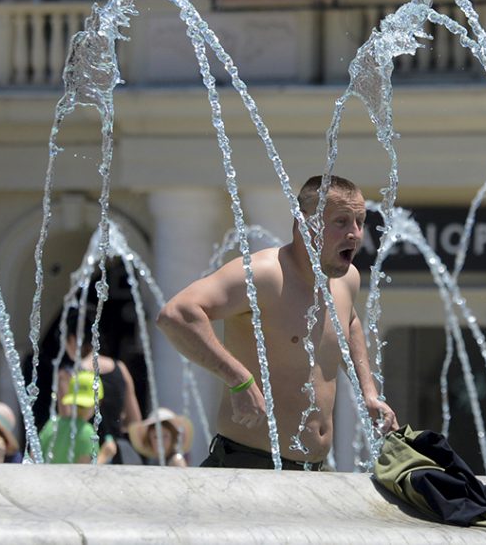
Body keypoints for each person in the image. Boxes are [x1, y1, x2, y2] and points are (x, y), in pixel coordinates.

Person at [157, 175, 398, 470]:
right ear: (303, 221)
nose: (355, 233)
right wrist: (238, 379)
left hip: (315, 469)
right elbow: (177, 314)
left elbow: (349, 325)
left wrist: (369, 394)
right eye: (341, 222)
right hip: (249, 465)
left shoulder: (347, 280)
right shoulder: (263, 274)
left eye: (360, 221)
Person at [57, 306, 142, 463]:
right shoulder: (121, 369)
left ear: (73, 339)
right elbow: (135, 422)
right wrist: (112, 424)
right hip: (118, 453)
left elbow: (67, 422)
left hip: (86, 453)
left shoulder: (69, 375)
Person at [40, 369, 118, 464]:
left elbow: (33, 458)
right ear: (98, 402)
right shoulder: (87, 432)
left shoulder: (51, 424)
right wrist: (105, 455)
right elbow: (84, 474)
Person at [128, 407, 193, 467]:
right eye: (155, 437)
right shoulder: (155, 461)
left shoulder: (176, 460)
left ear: (173, 438)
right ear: (149, 440)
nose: (160, 441)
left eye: (165, 436)